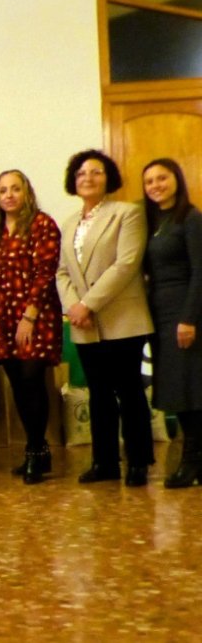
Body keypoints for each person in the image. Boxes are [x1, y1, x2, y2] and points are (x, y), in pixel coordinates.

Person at [57, 149, 155, 486]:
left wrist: (88, 304)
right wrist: (74, 306)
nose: (88, 177)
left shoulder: (126, 214)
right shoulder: (69, 223)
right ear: (74, 180)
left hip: (122, 317)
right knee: (98, 392)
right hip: (84, 323)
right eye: (81, 173)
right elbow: (61, 272)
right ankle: (105, 462)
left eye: (96, 172)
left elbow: (126, 265)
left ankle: (139, 462)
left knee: (129, 391)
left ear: (108, 178)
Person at [0, 170, 62, 484]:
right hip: (0, 317)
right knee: (17, 383)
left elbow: (45, 272)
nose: (9, 195)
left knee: (31, 380)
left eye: (15, 189)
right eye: (3, 191)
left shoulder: (42, 224)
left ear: (26, 192)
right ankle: (36, 450)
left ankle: (36, 449)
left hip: (33, 315)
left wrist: (29, 317)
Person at [141, 158, 202, 488]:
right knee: (177, 390)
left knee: (192, 391)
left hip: (184, 314)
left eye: (161, 178)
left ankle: (191, 462)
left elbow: (200, 272)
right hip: (160, 315)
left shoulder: (190, 218)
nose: (155, 185)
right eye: (149, 181)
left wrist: (189, 319)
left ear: (177, 179)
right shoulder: (153, 220)